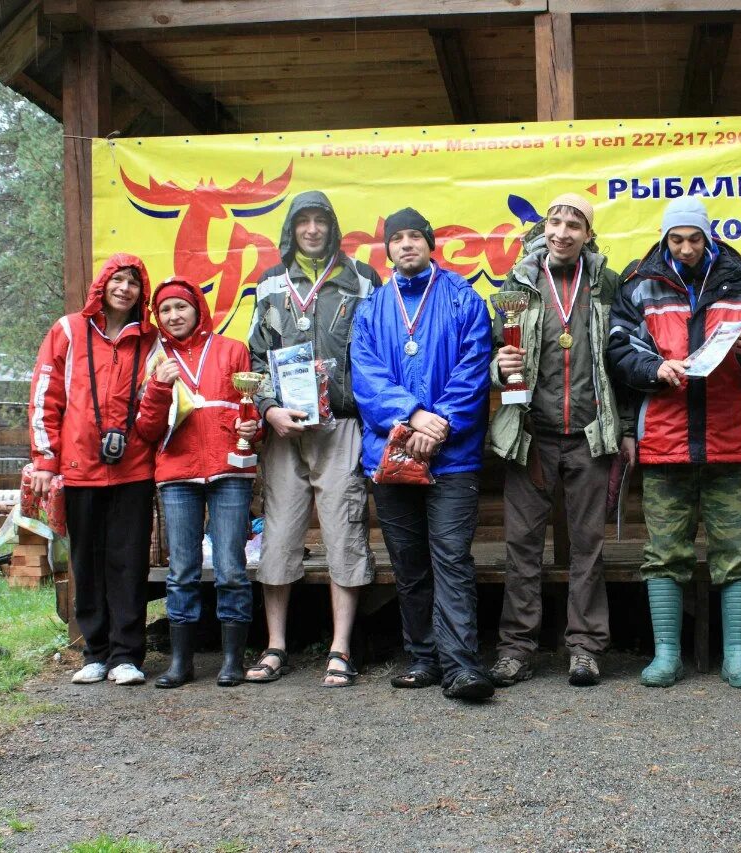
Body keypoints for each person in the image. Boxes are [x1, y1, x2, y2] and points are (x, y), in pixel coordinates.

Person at [607, 195, 741, 689]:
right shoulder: (639, 283)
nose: (686, 248)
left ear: (708, 237)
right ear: (665, 238)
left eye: (694, 238)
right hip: (664, 440)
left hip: (728, 437)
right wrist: (653, 368)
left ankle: (736, 656)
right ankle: (667, 655)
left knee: (737, 550)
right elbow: (618, 347)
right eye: (677, 238)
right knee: (664, 552)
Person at [487, 194, 634, 689]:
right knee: (521, 546)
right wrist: (497, 368)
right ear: (544, 227)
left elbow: (623, 362)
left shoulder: (608, 285)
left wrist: (626, 428)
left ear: (588, 235)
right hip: (531, 435)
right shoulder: (519, 283)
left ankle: (585, 647)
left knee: (588, 547)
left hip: (590, 436)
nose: (563, 232)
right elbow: (491, 351)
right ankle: (516, 649)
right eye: (556, 221)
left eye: (575, 224)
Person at [351, 207, 495, 702]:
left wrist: (441, 423)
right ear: (386, 249)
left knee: (451, 559)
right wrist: (412, 415)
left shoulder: (463, 299)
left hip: (452, 457)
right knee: (409, 564)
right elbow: (365, 377)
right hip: (391, 454)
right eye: (397, 238)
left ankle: (461, 666)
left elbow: (475, 368)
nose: (407, 244)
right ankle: (422, 658)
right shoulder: (370, 308)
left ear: (430, 244)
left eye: (415, 236)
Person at [246, 191, 377, 687]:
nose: (313, 230)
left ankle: (341, 647)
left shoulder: (361, 278)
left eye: (322, 221)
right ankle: (275, 644)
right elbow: (256, 359)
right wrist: (268, 409)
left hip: (341, 424)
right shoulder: (269, 284)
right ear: (291, 229)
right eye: (304, 222)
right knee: (278, 534)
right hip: (285, 429)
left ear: (334, 227)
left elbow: (375, 348)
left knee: (345, 530)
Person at [29, 254, 157, 686]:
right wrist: (45, 459)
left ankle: (127, 656)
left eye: (133, 283)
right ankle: (95, 652)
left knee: (129, 562)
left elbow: (161, 406)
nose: (124, 289)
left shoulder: (150, 341)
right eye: (117, 280)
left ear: (142, 293)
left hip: (134, 469)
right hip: (79, 466)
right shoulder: (67, 331)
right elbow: (46, 395)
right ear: (101, 285)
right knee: (87, 561)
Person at [136, 277, 261, 688]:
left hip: (229, 470)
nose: (173, 316)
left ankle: (232, 661)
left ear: (197, 310)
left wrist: (252, 426)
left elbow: (252, 411)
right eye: (165, 310)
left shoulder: (231, 350)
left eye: (181, 308)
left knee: (230, 568)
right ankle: (180, 663)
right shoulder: (154, 360)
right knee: (182, 570)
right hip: (177, 473)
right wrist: (158, 386)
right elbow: (147, 430)